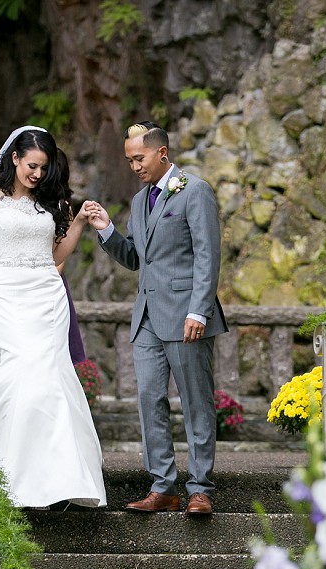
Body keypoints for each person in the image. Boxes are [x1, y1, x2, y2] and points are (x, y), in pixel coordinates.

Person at [0, 126, 106, 509]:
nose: (37, 175)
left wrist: (77, 224)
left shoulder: (47, 200)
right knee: (20, 370)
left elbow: (58, 255)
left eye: (43, 168)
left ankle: (57, 479)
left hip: (47, 294)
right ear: (14, 158)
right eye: (32, 166)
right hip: (6, 293)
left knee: (51, 375)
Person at [85, 121, 228, 516]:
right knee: (149, 401)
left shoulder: (194, 191)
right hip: (146, 317)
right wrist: (107, 231)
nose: (134, 166)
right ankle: (163, 486)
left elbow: (207, 255)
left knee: (196, 402)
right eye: (129, 160)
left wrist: (199, 309)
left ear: (161, 153)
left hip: (187, 316)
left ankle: (200, 488)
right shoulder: (139, 201)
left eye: (139, 158)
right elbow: (136, 259)